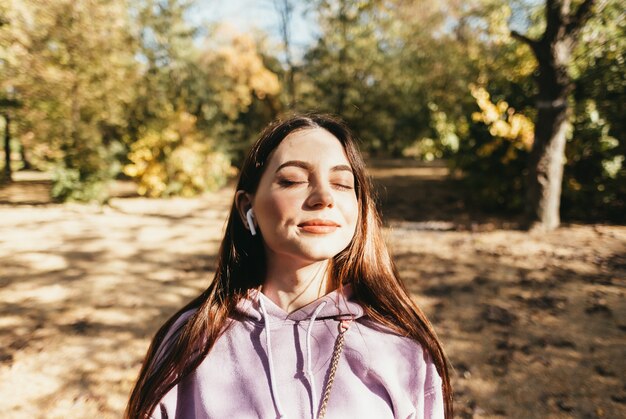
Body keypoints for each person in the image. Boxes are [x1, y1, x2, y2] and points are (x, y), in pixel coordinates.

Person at [126, 113, 453, 419]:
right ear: (247, 208)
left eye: (342, 183)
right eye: (293, 180)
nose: (324, 197)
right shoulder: (190, 344)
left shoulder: (402, 349)